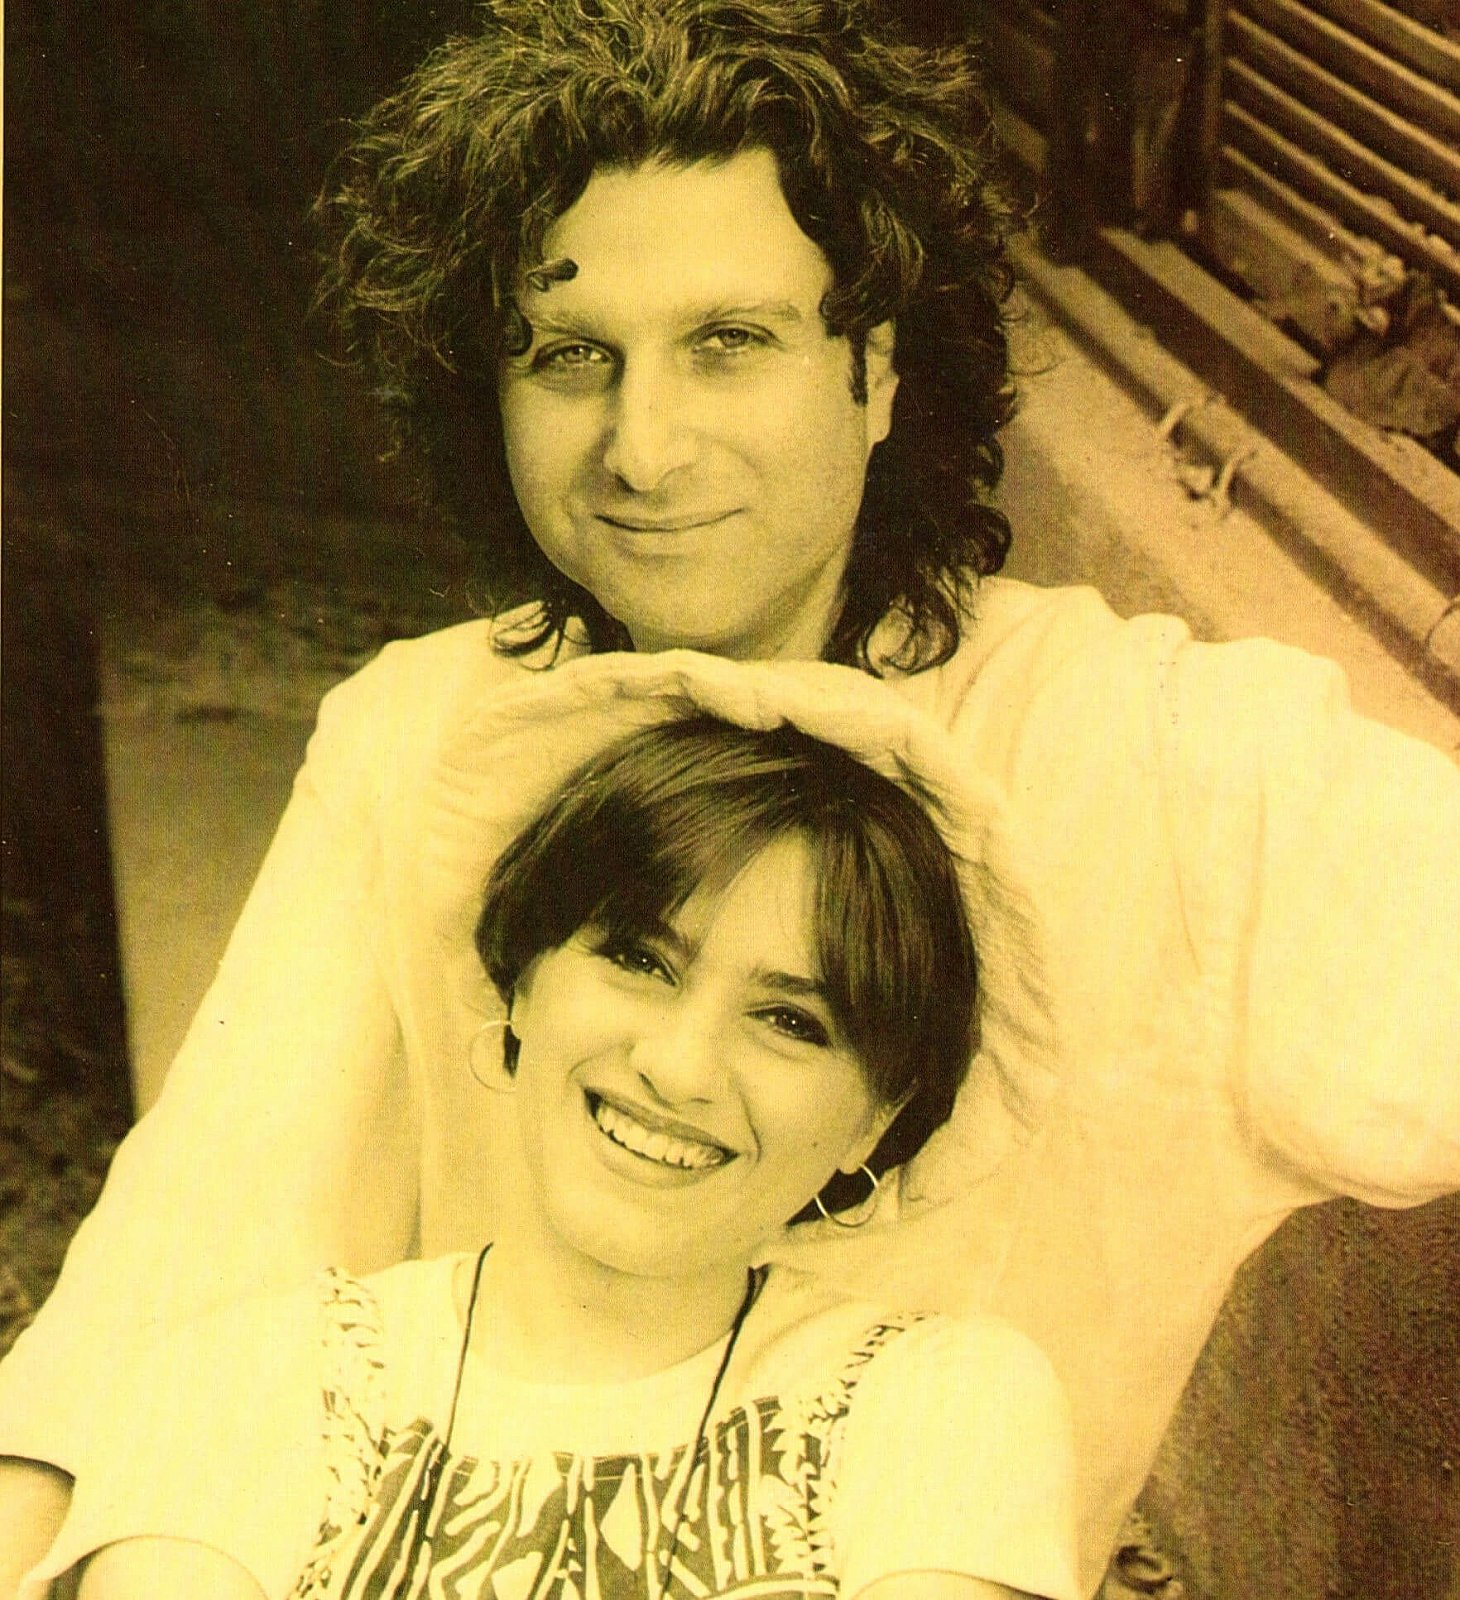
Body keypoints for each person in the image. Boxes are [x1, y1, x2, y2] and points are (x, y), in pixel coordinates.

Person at [2, 1, 1457, 1593]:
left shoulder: (1170, 760)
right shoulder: (422, 731)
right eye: (571, 355)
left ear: (878, 370)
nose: (642, 448)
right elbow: (199, 1241)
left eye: (728, 342)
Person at [21, 717, 1078, 1600]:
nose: (678, 1066)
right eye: (640, 960)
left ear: (876, 1121)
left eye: (790, 1021)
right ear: (521, 980)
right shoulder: (254, 1375)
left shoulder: (936, 1406)